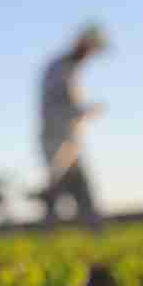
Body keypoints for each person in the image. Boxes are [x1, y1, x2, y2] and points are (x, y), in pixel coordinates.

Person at [36, 24, 107, 231]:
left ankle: (95, 232)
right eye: (91, 49)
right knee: (57, 190)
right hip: (56, 141)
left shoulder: (71, 69)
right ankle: (48, 236)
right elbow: (60, 104)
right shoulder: (59, 67)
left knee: (80, 190)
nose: (91, 55)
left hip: (71, 142)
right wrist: (86, 111)